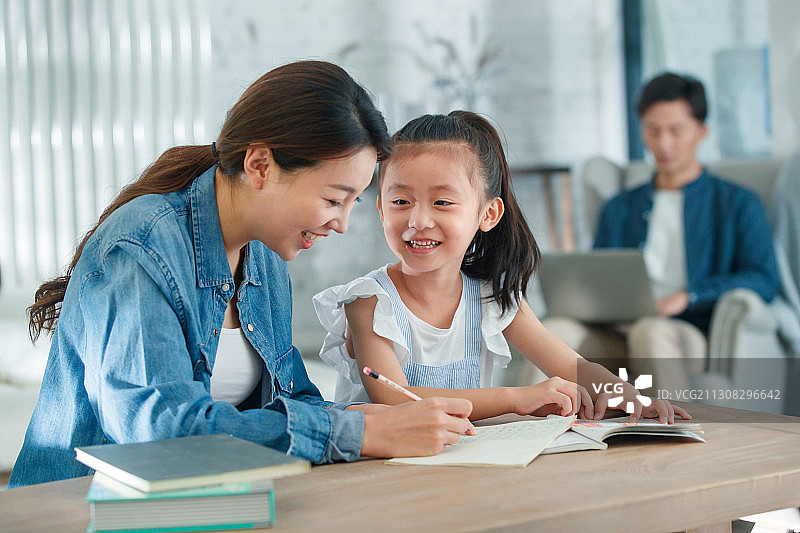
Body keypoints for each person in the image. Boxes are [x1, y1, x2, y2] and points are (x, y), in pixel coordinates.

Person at [10, 61, 476, 488]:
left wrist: (380, 421)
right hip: (81, 509)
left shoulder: (266, 260)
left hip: (214, 501)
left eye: (354, 201)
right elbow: (158, 434)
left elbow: (294, 400)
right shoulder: (142, 247)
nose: (343, 223)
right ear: (259, 166)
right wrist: (359, 431)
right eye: (334, 199)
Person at [313, 110, 689, 423]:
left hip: (471, 459)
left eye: (442, 202)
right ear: (380, 208)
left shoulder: (492, 296)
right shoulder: (369, 302)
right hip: (384, 470)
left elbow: (575, 367)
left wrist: (635, 399)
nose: (418, 220)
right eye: (400, 201)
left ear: (487, 214)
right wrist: (515, 398)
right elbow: (397, 401)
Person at [542, 72, 779, 391]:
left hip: (683, 331)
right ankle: (533, 432)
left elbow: (763, 278)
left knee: (649, 330)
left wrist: (688, 296)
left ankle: (673, 430)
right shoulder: (620, 207)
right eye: (652, 131)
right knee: (555, 330)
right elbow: (597, 275)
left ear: (702, 131)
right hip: (618, 329)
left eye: (676, 130)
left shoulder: (737, 203)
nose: (663, 143)